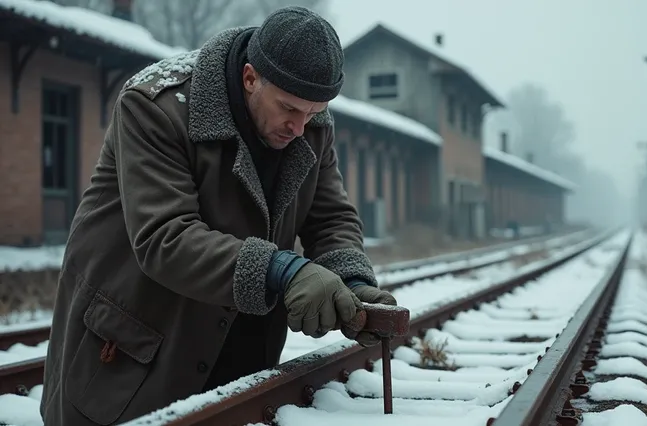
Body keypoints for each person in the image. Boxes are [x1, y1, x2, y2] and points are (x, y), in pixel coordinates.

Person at [40, 6, 396, 425]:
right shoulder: (155, 106)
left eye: (313, 114)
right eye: (289, 109)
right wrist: (284, 272)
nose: (300, 128)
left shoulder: (310, 121)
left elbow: (330, 216)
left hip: (239, 362)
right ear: (249, 78)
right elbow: (165, 237)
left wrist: (352, 283)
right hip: (134, 355)